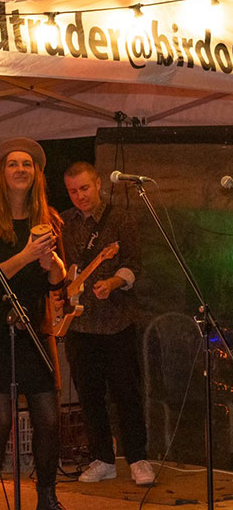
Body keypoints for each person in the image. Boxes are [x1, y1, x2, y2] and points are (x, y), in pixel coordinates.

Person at [0, 138, 89, 510]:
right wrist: (24, 253)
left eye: (29, 165)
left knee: (49, 419)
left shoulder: (47, 217)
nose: (21, 169)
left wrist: (48, 261)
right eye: (13, 164)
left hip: (36, 328)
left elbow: (58, 285)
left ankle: (47, 502)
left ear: (36, 175)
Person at [61, 162, 154, 486]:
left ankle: (138, 458)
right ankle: (102, 457)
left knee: (126, 392)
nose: (80, 196)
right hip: (79, 323)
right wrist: (68, 279)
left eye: (84, 188)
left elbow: (133, 264)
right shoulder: (64, 222)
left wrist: (113, 283)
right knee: (89, 395)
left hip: (117, 320)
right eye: (73, 191)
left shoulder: (120, 218)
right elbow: (63, 267)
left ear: (98, 184)